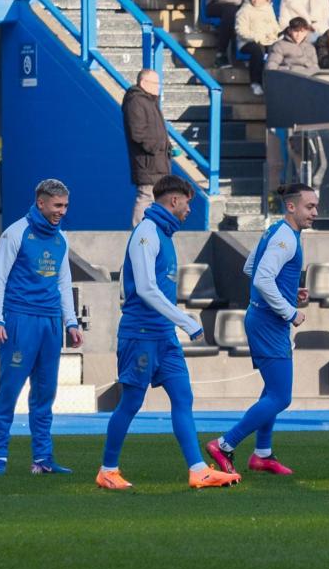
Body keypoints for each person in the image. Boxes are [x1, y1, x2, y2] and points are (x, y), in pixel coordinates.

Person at [98, 174, 239, 491]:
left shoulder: (164, 234)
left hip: (163, 335)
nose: (190, 209)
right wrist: (186, 320)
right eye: (188, 202)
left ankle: (199, 470)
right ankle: (108, 469)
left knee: (182, 397)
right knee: (132, 402)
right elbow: (146, 288)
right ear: (174, 200)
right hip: (140, 333)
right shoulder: (146, 233)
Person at [206, 184, 317, 476]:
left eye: (315, 206)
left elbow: (250, 268)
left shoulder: (277, 232)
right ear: (291, 207)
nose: (315, 212)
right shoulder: (286, 238)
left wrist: (290, 292)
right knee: (281, 397)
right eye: (310, 207)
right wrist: (289, 311)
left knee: (272, 391)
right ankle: (225, 444)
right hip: (269, 322)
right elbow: (261, 279)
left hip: (264, 318)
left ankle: (263, 454)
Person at [0, 179, 81, 475]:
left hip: (51, 323)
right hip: (20, 320)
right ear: (41, 203)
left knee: (45, 393)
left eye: (65, 205)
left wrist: (72, 321)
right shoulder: (15, 233)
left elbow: (64, 283)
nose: (62, 211)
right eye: (57, 205)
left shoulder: (61, 239)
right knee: (9, 390)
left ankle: (42, 459)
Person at [122, 69, 169, 225]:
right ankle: (138, 233)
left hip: (158, 161)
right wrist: (158, 147)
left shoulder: (150, 101)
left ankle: (152, 234)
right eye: (155, 83)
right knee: (146, 196)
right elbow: (138, 133)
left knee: (157, 199)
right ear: (143, 83)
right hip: (147, 162)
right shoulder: (136, 101)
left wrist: (166, 147)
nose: (159, 87)